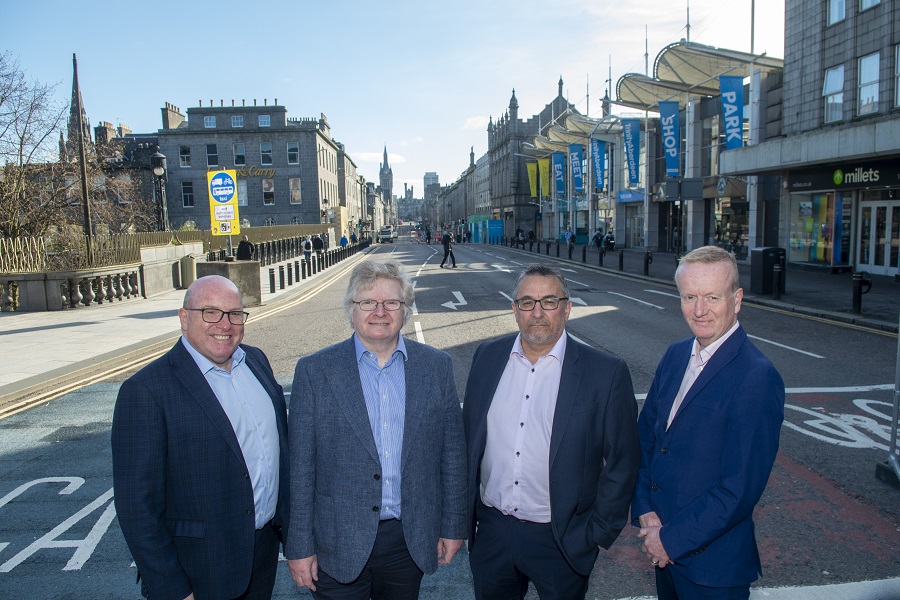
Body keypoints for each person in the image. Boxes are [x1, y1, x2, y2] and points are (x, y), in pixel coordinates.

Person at [286, 260, 467, 599]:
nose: (380, 311)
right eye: (368, 302)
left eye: (392, 302)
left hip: (407, 540)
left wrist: (453, 527)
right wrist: (299, 546)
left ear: (405, 309)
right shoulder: (315, 371)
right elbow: (300, 469)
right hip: (336, 539)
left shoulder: (436, 367)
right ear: (351, 309)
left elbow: (453, 457)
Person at [463, 264, 640, 600]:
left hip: (561, 539)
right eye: (527, 302)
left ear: (568, 307)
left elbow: (623, 459)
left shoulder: (606, 373)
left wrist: (597, 533)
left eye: (549, 301)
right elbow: (469, 441)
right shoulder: (487, 356)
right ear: (514, 310)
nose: (538, 313)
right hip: (493, 533)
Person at [112, 275, 289, 600]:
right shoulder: (146, 391)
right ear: (184, 318)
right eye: (211, 312)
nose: (225, 324)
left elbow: (280, 454)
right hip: (198, 568)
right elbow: (137, 507)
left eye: (235, 313)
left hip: (262, 554)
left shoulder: (257, 362)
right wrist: (172, 589)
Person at [632, 246, 785, 599]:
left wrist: (668, 540)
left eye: (712, 297)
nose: (699, 310)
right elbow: (647, 440)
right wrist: (644, 508)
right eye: (689, 297)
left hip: (712, 571)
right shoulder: (674, 354)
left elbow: (739, 489)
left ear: (737, 299)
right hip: (662, 550)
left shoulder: (757, 377)